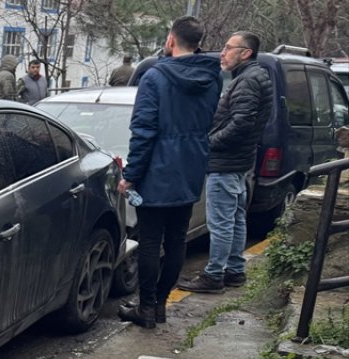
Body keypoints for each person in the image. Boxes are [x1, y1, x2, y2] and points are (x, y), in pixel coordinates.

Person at [116, 16, 223, 328]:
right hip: (190, 167)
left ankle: (146, 308)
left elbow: (144, 131)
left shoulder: (155, 77)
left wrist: (131, 174)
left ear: (171, 39)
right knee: (177, 240)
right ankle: (160, 305)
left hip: (157, 170)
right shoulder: (212, 76)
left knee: (150, 241)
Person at [179, 31, 274, 293]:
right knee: (235, 219)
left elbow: (241, 123)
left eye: (229, 48)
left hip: (227, 162)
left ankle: (213, 276)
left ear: (246, 53)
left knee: (220, 223)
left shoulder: (247, 81)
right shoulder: (254, 76)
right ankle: (234, 271)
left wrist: (208, 143)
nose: (223, 52)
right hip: (239, 162)